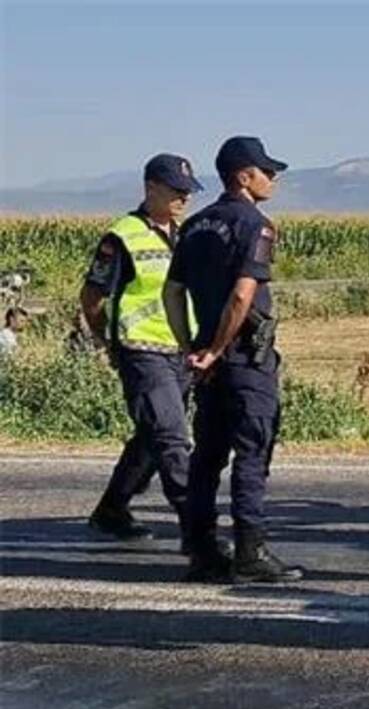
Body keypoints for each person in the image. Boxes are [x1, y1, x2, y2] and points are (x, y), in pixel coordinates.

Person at [164, 136, 302, 583]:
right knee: (251, 452)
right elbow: (244, 294)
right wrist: (221, 347)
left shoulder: (196, 225)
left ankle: (202, 551)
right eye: (266, 170)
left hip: (207, 358)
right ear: (244, 176)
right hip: (244, 357)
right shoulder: (256, 225)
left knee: (207, 457)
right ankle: (250, 550)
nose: (273, 177)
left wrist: (193, 348)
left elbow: (172, 292)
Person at [80, 154, 204, 546]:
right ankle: (197, 529)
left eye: (188, 191)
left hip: (180, 351)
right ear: (151, 188)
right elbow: (92, 297)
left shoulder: (184, 234)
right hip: (141, 350)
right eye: (176, 191)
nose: (184, 198)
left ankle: (112, 510)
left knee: (152, 435)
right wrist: (108, 341)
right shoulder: (122, 236)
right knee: (171, 437)